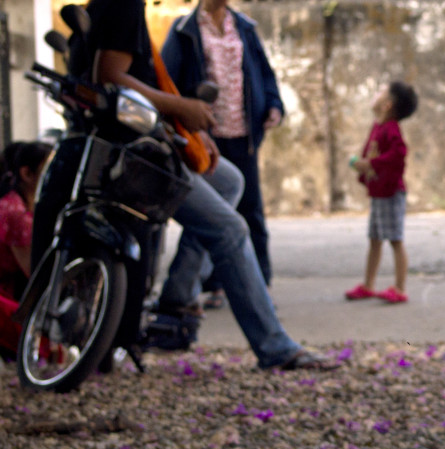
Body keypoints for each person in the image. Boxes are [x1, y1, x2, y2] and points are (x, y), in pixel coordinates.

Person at [82, 0, 332, 370]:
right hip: (135, 150)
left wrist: (186, 127)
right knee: (231, 229)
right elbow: (110, 77)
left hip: (176, 132)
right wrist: (182, 108)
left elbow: (259, 74)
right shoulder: (141, 12)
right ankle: (275, 347)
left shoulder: (241, 26)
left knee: (230, 182)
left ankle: (178, 296)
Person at [161, 0, 285, 310]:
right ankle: (214, 284)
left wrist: (273, 105)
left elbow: (264, 74)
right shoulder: (183, 30)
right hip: (205, 134)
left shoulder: (244, 26)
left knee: (249, 209)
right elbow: (167, 82)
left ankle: (260, 283)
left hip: (243, 134)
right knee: (214, 214)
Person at [345, 81, 417, 304]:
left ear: (387, 105)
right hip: (379, 193)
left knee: (395, 239)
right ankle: (368, 284)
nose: (375, 94)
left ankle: (400, 288)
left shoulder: (391, 128)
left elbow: (398, 154)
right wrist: (363, 166)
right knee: (374, 239)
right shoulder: (378, 126)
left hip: (391, 194)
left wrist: (371, 164)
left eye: (380, 92)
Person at [0, 141, 53, 359]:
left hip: (8, 291)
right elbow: (35, 275)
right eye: (49, 170)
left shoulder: (16, 205)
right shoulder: (17, 214)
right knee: (42, 346)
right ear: (27, 174)